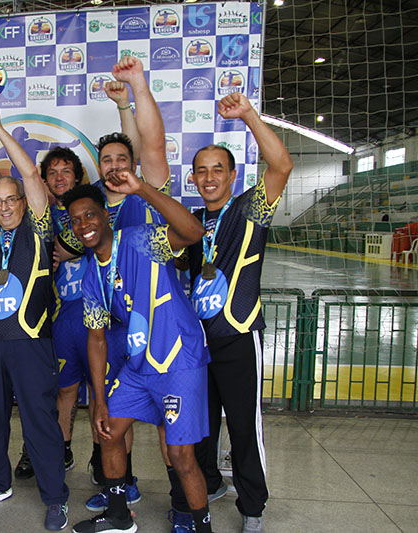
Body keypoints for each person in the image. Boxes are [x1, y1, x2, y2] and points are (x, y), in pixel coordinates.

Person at [171, 91, 294, 533]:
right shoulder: (189, 223)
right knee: (200, 428)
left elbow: (282, 166)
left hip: (239, 336)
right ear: (192, 178)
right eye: (201, 171)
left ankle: (252, 507)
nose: (209, 178)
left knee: (243, 427)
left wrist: (249, 116)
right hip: (197, 345)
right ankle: (207, 486)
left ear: (232, 175)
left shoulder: (248, 210)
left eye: (217, 169)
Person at [63, 176, 210, 533]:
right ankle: (118, 515)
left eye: (90, 215)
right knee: (108, 430)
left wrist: (142, 189)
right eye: (76, 220)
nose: (83, 225)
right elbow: (96, 339)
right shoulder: (91, 276)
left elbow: (193, 233)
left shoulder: (140, 239)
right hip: (139, 364)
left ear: (106, 216)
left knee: (181, 455)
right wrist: (98, 400)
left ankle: (202, 526)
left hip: (178, 361)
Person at [0, 99, 69, 532]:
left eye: (11, 200)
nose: (3, 207)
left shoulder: (39, 229)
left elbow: (32, 175)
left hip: (30, 344)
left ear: (24, 202)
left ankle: (55, 498)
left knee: (40, 422)